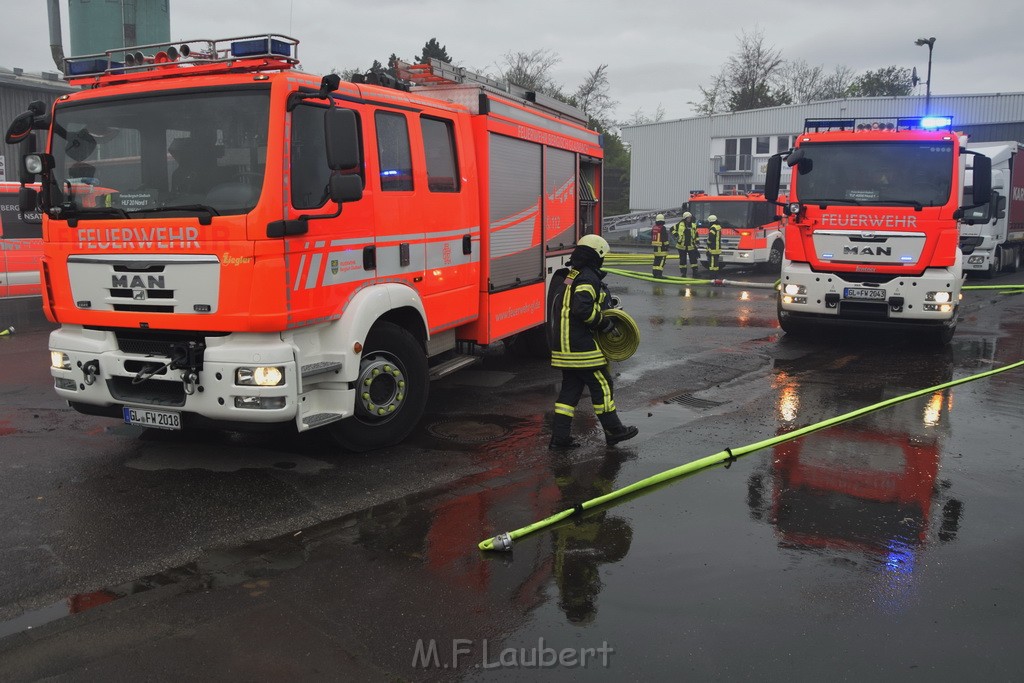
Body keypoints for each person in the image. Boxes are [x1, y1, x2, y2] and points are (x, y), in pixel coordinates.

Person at [549, 234, 639, 449]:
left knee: (569, 392)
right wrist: (604, 324)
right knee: (602, 384)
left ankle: (559, 439)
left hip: (564, 347)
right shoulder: (588, 277)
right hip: (581, 347)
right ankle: (614, 430)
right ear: (596, 256)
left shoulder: (572, 275)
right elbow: (582, 309)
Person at [672, 211, 700, 277]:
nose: (689, 219)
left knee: (693, 260)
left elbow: (696, 234)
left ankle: (695, 273)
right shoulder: (679, 224)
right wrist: (676, 234)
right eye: (688, 218)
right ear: (685, 218)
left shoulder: (693, 225)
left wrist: (697, 241)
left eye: (690, 218)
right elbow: (672, 229)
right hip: (681, 246)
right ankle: (683, 273)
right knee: (682, 260)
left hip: (691, 245)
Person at [651, 213, 669, 278]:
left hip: (655, 247)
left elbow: (652, 236)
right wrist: (667, 246)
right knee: (662, 260)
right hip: (662, 247)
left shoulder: (654, 228)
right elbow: (664, 238)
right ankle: (659, 274)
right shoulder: (663, 228)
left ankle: (655, 273)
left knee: (656, 260)